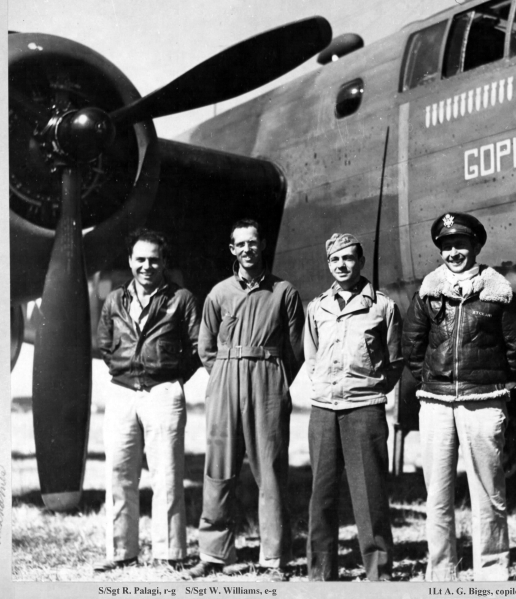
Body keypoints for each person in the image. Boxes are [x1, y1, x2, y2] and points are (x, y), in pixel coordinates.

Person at [402, 212, 516, 581]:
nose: (454, 253)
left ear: (476, 246)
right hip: (436, 405)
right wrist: (434, 380)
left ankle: (491, 573)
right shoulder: (428, 292)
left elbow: (515, 348)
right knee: (437, 496)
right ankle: (440, 574)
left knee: (488, 492)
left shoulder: (498, 293)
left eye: (461, 245)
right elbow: (411, 344)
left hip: (484, 403)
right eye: (447, 246)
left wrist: (491, 384)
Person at [187, 219, 304, 581]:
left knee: (269, 471)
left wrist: (274, 379)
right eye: (240, 244)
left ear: (262, 245)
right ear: (232, 250)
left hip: (267, 380)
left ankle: (273, 560)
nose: (247, 249)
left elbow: (296, 349)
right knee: (218, 468)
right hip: (224, 380)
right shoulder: (219, 293)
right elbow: (205, 347)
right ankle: (213, 554)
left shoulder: (284, 291)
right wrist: (226, 373)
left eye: (253, 242)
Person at [95, 229, 201, 572]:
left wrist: (171, 377)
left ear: (164, 262)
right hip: (122, 391)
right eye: (140, 259)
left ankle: (169, 553)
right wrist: (124, 370)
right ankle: (120, 552)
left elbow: (197, 347)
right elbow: (104, 343)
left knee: (167, 475)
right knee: (118, 473)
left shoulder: (180, 299)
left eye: (154, 259)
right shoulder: (115, 300)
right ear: (130, 261)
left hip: (163, 392)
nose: (147, 266)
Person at [303, 233, 404, 581]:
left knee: (370, 495)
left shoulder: (383, 306)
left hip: (364, 409)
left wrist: (370, 389)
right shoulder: (317, 307)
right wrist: (324, 389)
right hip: (323, 411)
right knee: (322, 496)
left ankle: (379, 574)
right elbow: (311, 356)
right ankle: (320, 575)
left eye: (348, 258)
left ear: (361, 261)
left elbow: (394, 361)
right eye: (335, 259)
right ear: (328, 264)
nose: (342, 265)